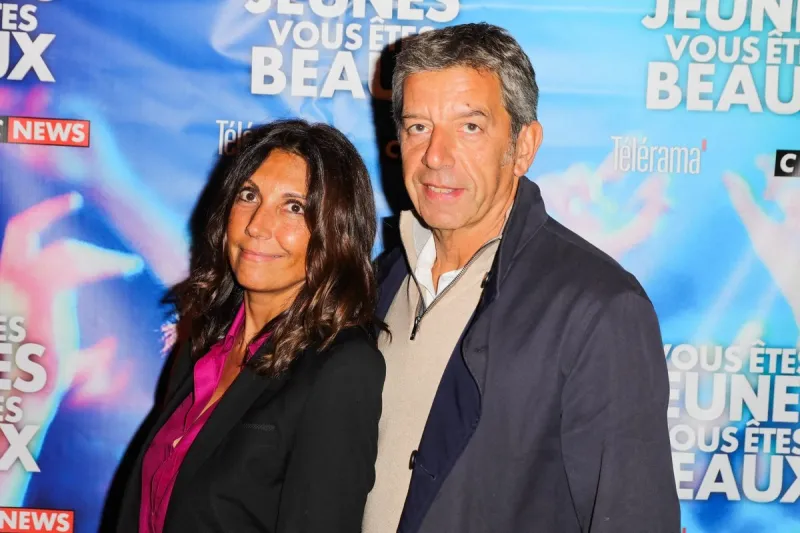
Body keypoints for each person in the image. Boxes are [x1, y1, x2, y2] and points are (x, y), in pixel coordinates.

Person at [363, 23, 680, 533]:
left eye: (470, 127)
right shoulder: (378, 283)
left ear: (524, 145)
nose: (435, 156)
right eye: (418, 126)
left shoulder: (598, 307)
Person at [115, 119, 386, 533]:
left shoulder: (342, 368)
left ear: (336, 232)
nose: (257, 225)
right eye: (249, 195)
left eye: (294, 207)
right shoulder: (205, 339)